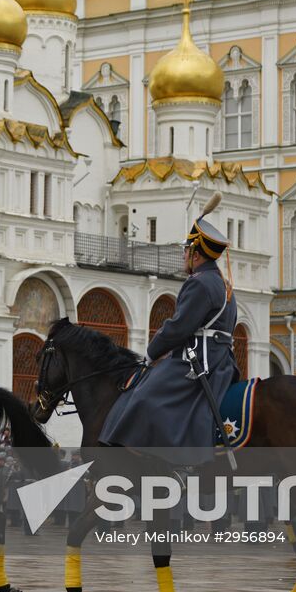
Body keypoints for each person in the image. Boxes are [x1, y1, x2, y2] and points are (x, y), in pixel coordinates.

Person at [100, 195, 239, 460]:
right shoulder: (222, 283)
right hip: (222, 360)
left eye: (185, 251)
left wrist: (150, 353)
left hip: (200, 361)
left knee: (145, 394)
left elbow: (178, 328)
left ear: (196, 255)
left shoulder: (199, 282)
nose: (183, 256)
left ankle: (162, 459)